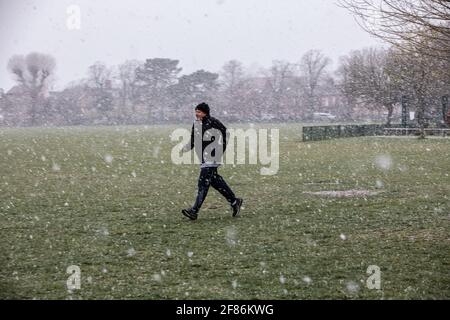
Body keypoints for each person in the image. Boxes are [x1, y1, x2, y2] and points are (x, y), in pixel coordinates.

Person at [181, 102, 243, 220]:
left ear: (205, 112)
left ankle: (194, 210)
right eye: (196, 111)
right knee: (215, 181)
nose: (196, 113)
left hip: (213, 156)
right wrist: (187, 147)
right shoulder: (196, 123)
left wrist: (220, 148)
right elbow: (194, 138)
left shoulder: (213, 122)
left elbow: (225, 133)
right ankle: (235, 202)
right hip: (204, 157)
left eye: (199, 111)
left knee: (203, 183)